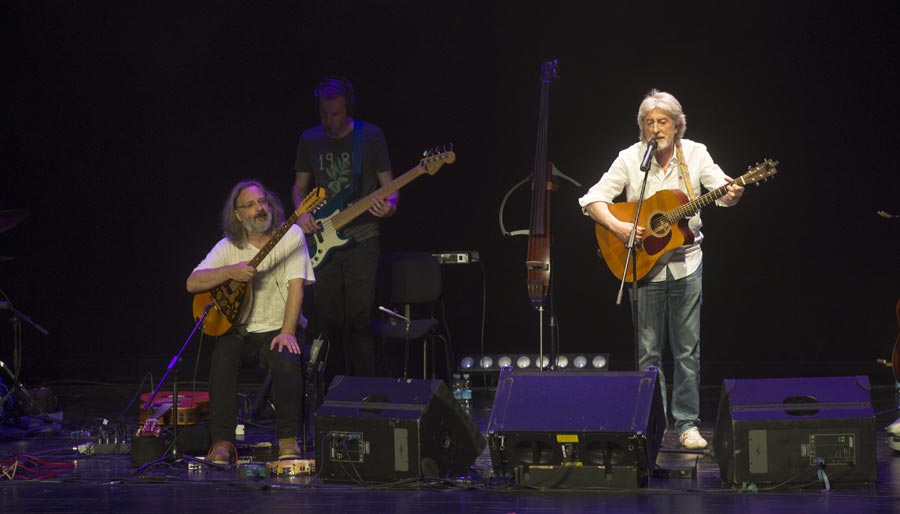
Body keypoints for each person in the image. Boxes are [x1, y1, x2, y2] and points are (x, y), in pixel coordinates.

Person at [578, 89, 744, 450]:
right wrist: (620, 228)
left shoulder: (696, 153)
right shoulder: (631, 157)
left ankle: (687, 425)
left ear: (677, 124)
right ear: (642, 127)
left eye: (663, 121)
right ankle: (651, 424)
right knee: (649, 353)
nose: (656, 128)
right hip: (644, 267)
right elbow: (591, 199)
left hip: (687, 265)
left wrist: (733, 193)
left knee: (686, 351)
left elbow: (722, 189)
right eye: (649, 122)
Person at [186, 180, 315, 464]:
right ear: (238, 215)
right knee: (222, 355)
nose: (260, 208)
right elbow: (193, 283)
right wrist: (229, 271)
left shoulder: (291, 234)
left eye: (263, 201)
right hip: (240, 332)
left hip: (279, 330)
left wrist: (288, 331)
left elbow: (297, 286)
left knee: (285, 359)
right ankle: (222, 442)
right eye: (251, 205)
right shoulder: (228, 246)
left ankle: (287, 439)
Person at [292, 76, 396, 377]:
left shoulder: (370, 136)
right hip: (322, 240)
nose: (329, 121)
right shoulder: (309, 139)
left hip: (362, 239)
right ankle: (330, 394)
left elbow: (391, 190)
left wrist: (387, 209)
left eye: (335, 114)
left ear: (348, 107)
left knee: (360, 322)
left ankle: (363, 396)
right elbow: (299, 188)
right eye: (324, 113)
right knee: (327, 323)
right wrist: (301, 213)